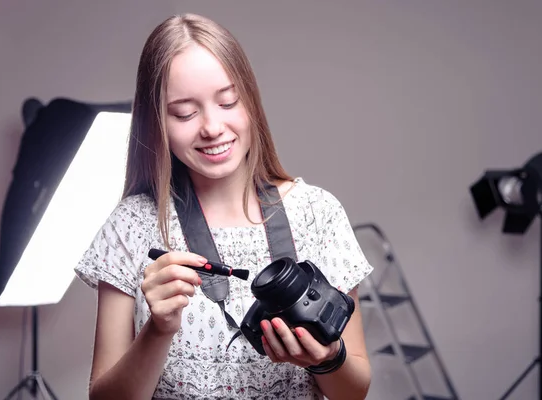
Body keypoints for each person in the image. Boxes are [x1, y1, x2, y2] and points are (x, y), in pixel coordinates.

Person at [74, 13, 374, 400]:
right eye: (184, 112)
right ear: (157, 122)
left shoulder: (319, 214)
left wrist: (326, 358)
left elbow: (355, 392)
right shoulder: (131, 226)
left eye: (228, 101)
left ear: (250, 101)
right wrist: (159, 329)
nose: (212, 127)